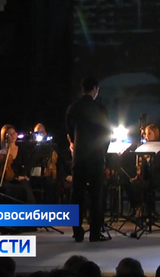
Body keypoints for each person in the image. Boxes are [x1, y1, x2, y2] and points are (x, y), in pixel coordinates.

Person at [66, 76, 111, 242]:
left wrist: (76, 144)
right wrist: (104, 152)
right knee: (96, 195)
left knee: (77, 194)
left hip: (79, 156)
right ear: (95, 89)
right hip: (96, 157)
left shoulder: (73, 108)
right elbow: (107, 133)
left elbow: (70, 131)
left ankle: (77, 232)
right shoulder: (100, 108)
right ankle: (94, 232)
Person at [0, 125, 36, 203]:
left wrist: (23, 175)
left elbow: (26, 165)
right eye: (10, 134)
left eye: (14, 133)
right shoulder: (1, 152)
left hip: (19, 178)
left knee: (27, 193)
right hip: (6, 179)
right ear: (5, 137)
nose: (13, 135)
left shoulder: (22, 150)